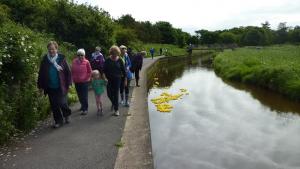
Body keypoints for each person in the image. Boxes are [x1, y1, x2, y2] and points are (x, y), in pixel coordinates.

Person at [38, 41, 72, 128]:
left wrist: (69, 84)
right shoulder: (45, 60)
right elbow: (41, 74)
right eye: (49, 49)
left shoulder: (61, 59)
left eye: (53, 49)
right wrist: (40, 86)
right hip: (50, 87)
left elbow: (68, 72)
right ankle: (58, 121)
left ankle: (66, 114)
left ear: (56, 49)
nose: (51, 51)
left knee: (62, 102)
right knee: (54, 105)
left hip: (61, 86)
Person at [103, 46, 126, 116]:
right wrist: (104, 78)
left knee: (115, 94)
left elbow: (124, 72)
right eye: (113, 53)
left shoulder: (120, 60)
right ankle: (114, 103)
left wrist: (125, 80)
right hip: (109, 79)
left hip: (117, 79)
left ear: (118, 53)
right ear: (111, 53)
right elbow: (103, 71)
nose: (114, 55)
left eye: (116, 54)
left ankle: (116, 110)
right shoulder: (107, 60)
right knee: (109, 94)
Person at [71, 49, 92, 115]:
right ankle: (82, 105)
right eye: (78, 55)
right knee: (79, 95)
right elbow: (72, 71)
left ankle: (85, 109)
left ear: (84, 55)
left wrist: (87, 78)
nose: (80, 56)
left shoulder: (87, 62)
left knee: (84, 96)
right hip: (76, 81)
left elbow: (90, 71)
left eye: (81, 55)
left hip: (84, 82)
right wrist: (72, 78)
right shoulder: (74, 61)